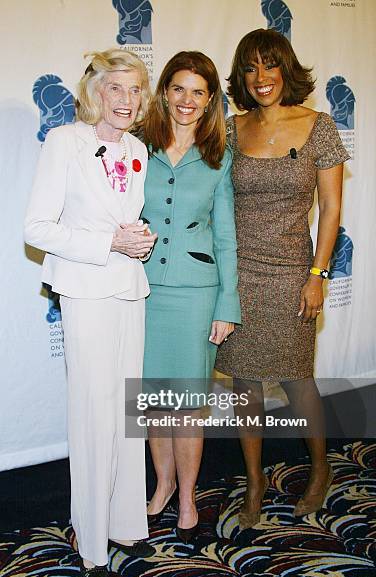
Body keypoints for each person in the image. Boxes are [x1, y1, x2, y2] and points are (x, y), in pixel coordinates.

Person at [24, 48, 157, 577]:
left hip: (129, 289)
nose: (126, 101)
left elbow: (125, 220)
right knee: (92, 413)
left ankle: (125, 523)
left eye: (135, 90)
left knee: (127, 410)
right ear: (96, 93)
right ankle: (90, 534)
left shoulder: (140, 150)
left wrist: (138, 240)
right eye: (116, 89)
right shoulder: (64, 143)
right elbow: (37, 227)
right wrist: (110, 243)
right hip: (86, 290)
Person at [216, 29, 350, 530]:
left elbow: (332, 209)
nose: (260, 77)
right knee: (244, 384)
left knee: (298, 381)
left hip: (294, 271)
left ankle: (320, 469)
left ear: (285, 68)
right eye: (249, 68)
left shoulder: (319, 126)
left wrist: (317, 274)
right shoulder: (230, 129)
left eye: (269, 66)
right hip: (236, 273)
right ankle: (254, 482)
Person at [141, 51, 241, 543]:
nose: (187, 100)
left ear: (209, 101)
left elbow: (226, 237)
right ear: (164, 92)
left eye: (198, 92)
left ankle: (187, 498)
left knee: (187, 407)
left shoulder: (218, 157)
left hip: (196, 294)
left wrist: (228, 304)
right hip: (140, 291)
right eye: (178, 88)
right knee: (155, 403)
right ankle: (160, 487)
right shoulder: (138, 149)